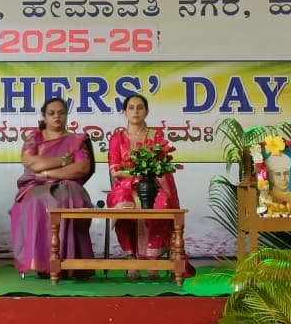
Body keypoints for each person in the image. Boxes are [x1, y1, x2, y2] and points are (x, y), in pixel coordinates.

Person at [106, 94, 191, 278]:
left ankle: (153, 260)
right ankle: (131, 259)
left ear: (146, 111)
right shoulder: (117, 138)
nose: (135, 111)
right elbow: (115, 171)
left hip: (153, 185)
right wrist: (137, 174)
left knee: (162, 202)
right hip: (125, 187)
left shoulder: (155, 135)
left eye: (140, 107)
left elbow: (161, 165)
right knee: (123, 205)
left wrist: (146, 175)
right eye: (131, 108)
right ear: (124, 112)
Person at [10, 97, 96, 278]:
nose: (57, 116)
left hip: (67, 184)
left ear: (66, 115)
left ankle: (68, 264)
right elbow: (31, 162)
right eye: (52, 113)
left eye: (61, 112)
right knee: (35, 200)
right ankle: (43, 264)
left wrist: (49, 174)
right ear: (44, 116)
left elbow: (82, 167)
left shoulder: (76, 140)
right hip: (36, 184)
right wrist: (64, 160)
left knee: (65, 198)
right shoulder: (35, 137)